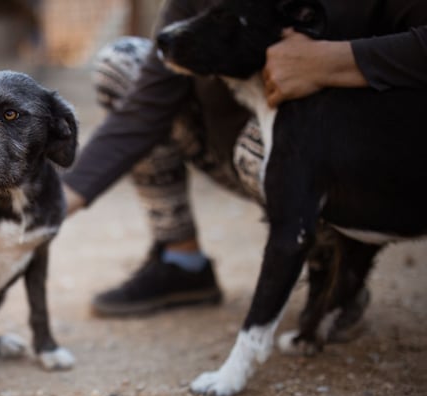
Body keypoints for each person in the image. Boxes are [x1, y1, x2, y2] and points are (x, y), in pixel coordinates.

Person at [62, 0, 427, 322]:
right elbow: (144, 107)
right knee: (123, 63)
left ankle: (331, 255)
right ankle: (181, 263)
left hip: (361, 157)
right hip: (244, 144)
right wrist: (52, 203)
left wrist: (334, 61)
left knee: (279, 138)